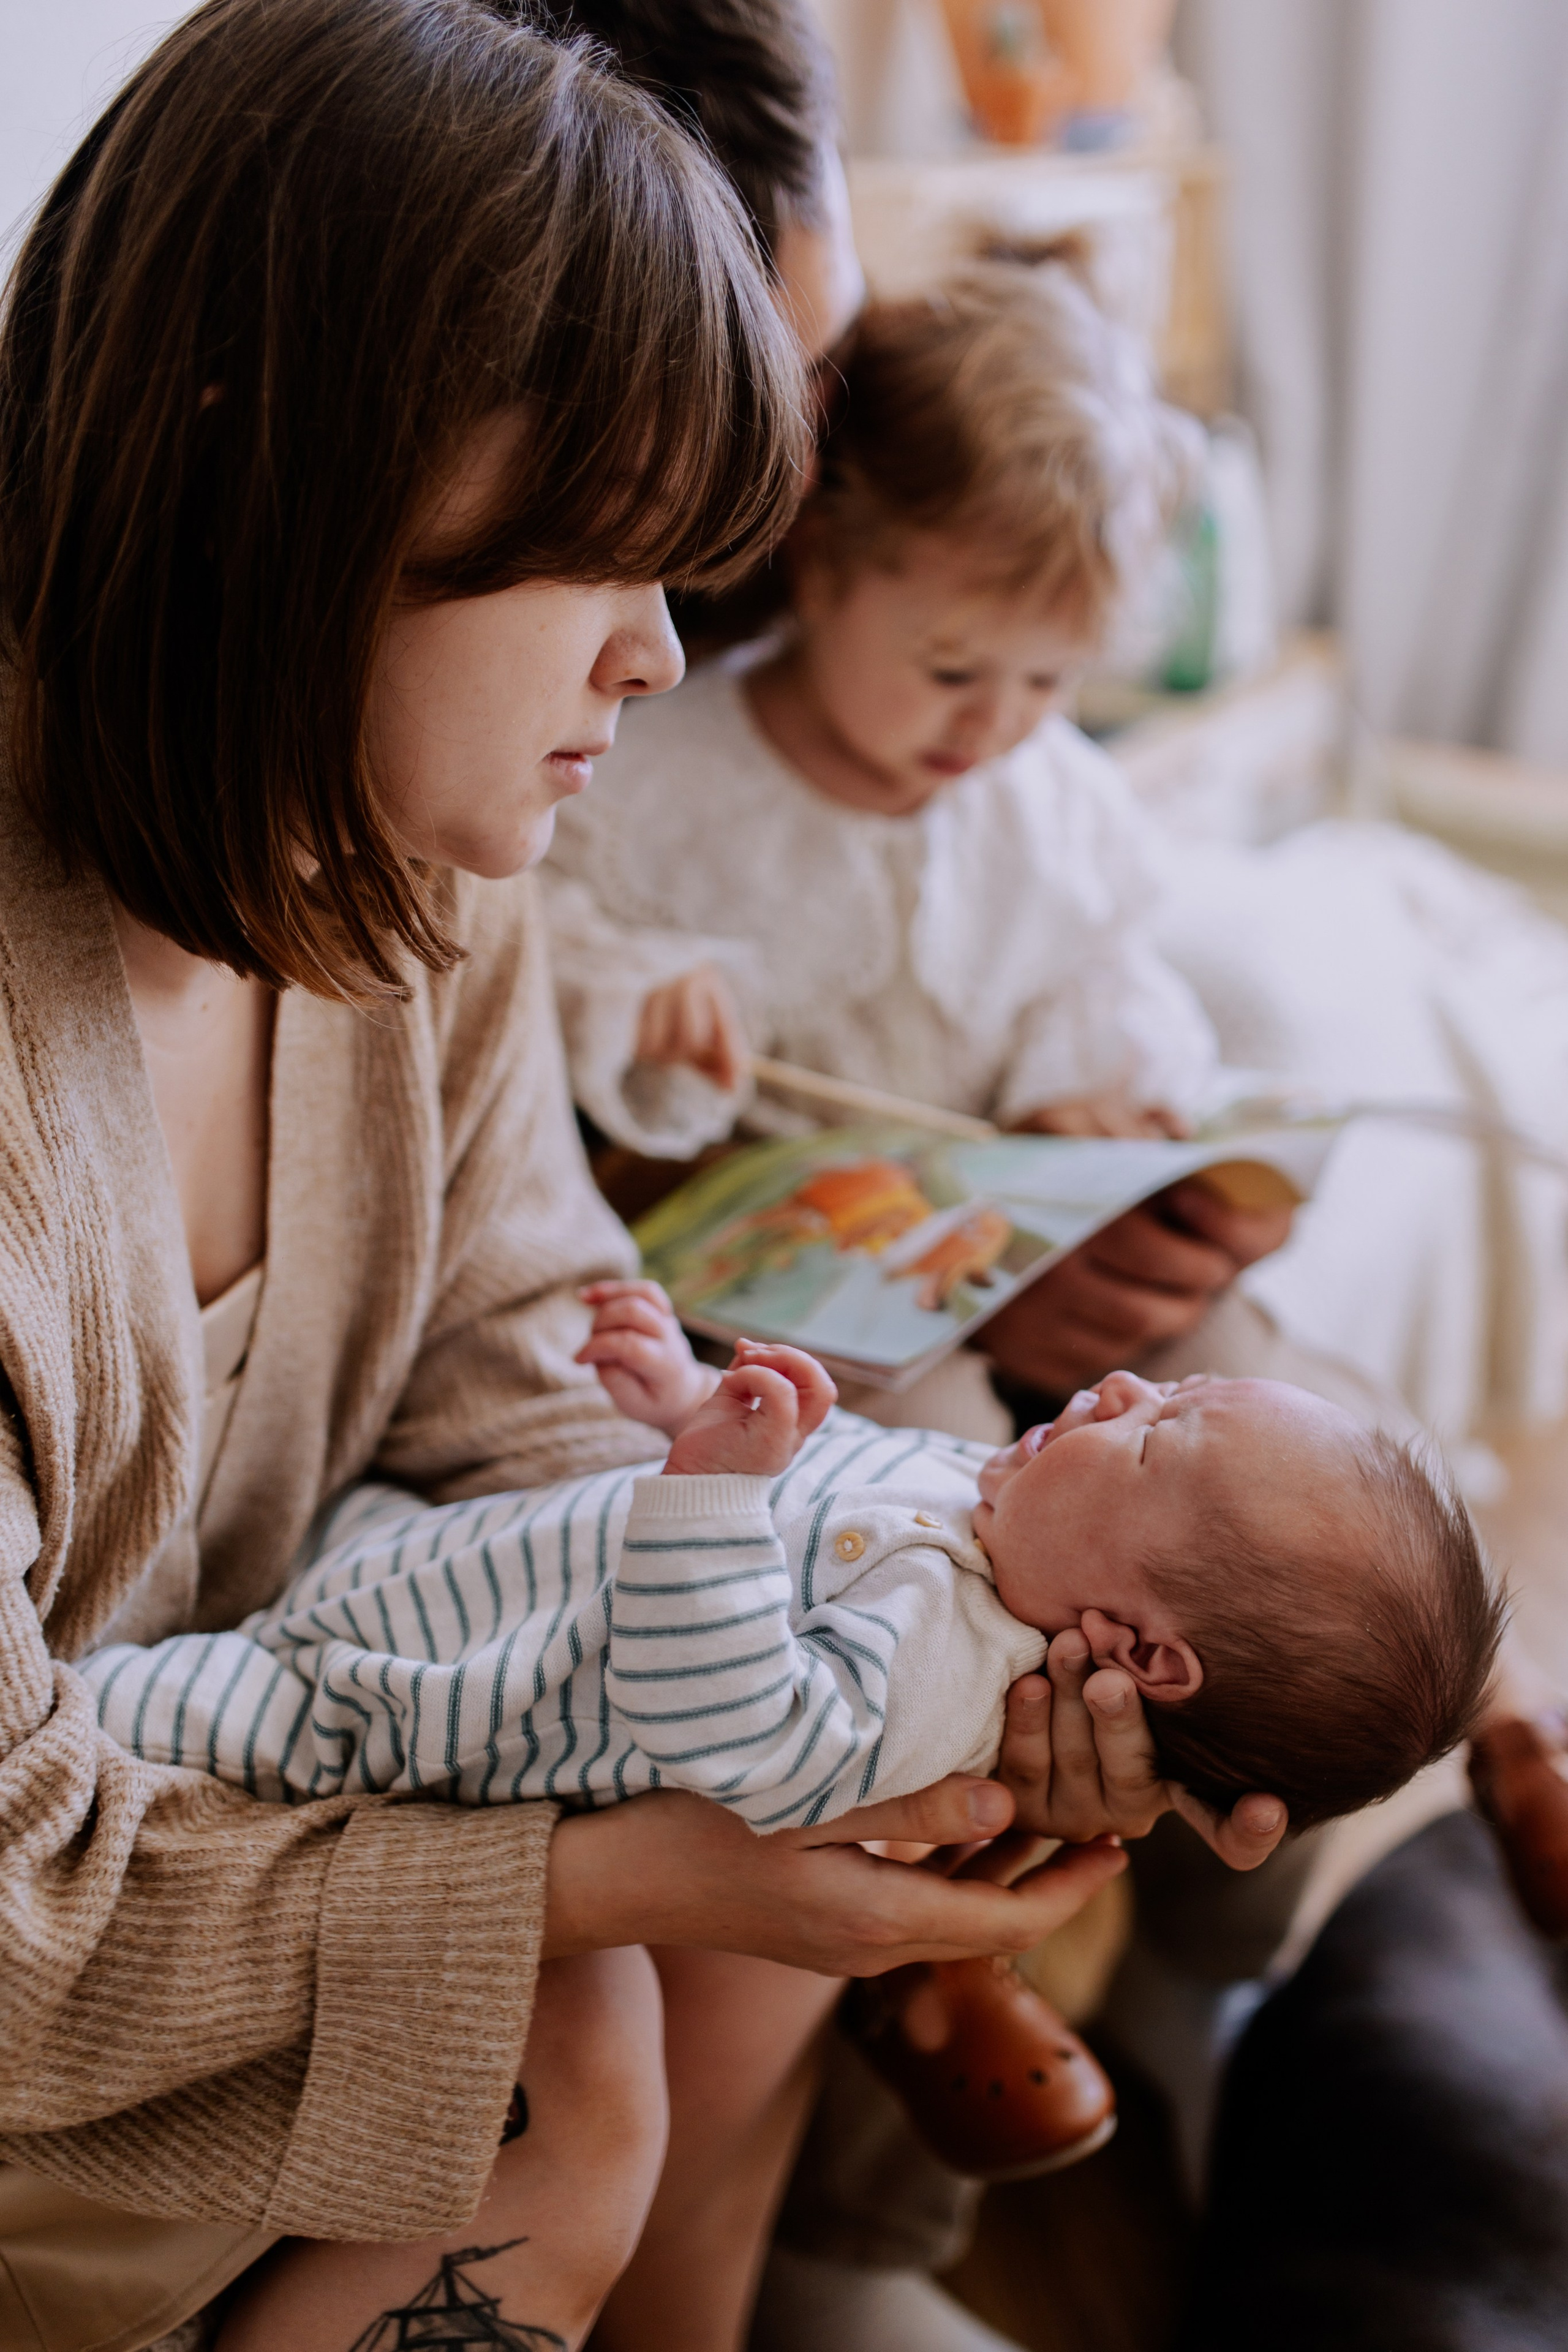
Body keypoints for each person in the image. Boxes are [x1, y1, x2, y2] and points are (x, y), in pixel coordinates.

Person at [0, 7, 1287, 2351]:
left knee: (599, 2074)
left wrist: (888, 1636)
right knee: (579, 2084)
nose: (664, 658)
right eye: (606, 556)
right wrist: (610, 1876)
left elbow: (522, 1350)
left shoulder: (412, 854)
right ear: (273, 465)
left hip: (255, 1815)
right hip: (62, 2002)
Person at [88, 1309, 1498, 1841]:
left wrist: (709, 1489)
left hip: (380, 1707)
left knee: (96, 1713)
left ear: (1136, 1649)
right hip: (421, 1569)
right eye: (1164, 1382)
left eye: (1154, 1435)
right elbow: (834, 1455)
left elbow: (740, 1731)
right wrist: (687, 1397)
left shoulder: (941, 1678)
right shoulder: (986, 1500)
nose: (1119, 1383)